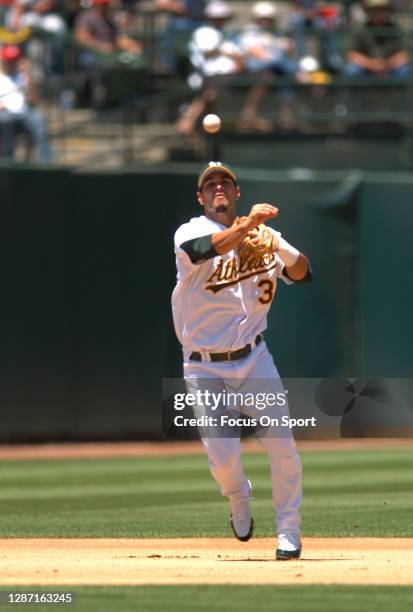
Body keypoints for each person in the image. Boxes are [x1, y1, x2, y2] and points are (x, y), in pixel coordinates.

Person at [171, 161, 312, 559]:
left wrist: (279, 246)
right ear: (201, 198)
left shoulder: (263, 235)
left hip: (255, 359)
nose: (218, 187)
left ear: (236, 193)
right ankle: (238, 494)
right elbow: (205, 250)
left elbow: (303, 273)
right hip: (202, 365)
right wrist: (248, 227)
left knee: (282, 446)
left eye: (225, 182)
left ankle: (289, 531)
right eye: (210, 184)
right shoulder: (191, 231)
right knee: (223, 458)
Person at [176, 0, 243, 135]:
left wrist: (235, 58)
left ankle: (190, 125)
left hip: (228, 76)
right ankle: (186, 124)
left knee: (212, 103)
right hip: (208, 76)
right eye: (216, 18)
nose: (219, 21)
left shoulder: (229, 35)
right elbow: (208, 53)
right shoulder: (203, 32)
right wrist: (227, 53)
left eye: (221, 18)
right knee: (207, 96)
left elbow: (239, 57)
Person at [0, 44, 52, 161]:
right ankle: (7, 163)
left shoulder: (23, 77)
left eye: (14, 61)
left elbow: (34, 101)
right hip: (4, 113)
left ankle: (46, 164)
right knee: (6, 121)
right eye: (9, 61)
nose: (12, 63)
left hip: (24, 113)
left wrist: (28, 74)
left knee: (40, 120)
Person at [344, 0, 410, 77]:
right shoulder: (360, 29)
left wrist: (386, 64)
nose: (378, 13)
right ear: (368, 11)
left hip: (390, 67)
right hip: (365, 67)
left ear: (387, 11)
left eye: (381, 9)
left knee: (404, 71)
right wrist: (371, 65)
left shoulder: (395, 29)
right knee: (351, 70)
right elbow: (351, 54)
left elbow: (404, 55)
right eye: (375, 9)